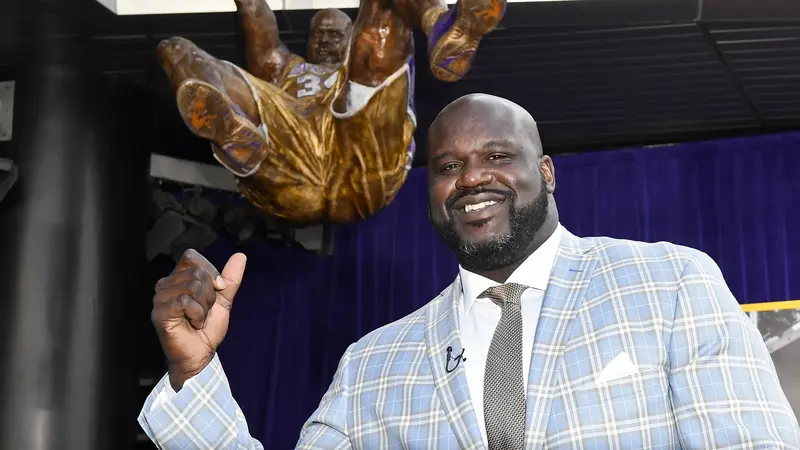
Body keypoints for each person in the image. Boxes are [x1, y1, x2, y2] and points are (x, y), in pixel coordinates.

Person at [139, 94, 800, 449]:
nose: (471, 177)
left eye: (496, 155)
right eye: (448, 166)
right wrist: (193, 374)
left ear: (544, 173)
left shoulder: (672, 285)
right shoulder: (375, 364)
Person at [157, 0, 506, 224]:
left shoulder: (361, 67)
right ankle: (236, 138)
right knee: (174, 51)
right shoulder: (283, 69)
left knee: (382, 19)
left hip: (358, 159)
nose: (324, 40)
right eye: (317, 34)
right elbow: (255, 15)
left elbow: (371, 48)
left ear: (352, 39)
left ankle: (444, 27)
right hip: (291, 156)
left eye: (335, 33)